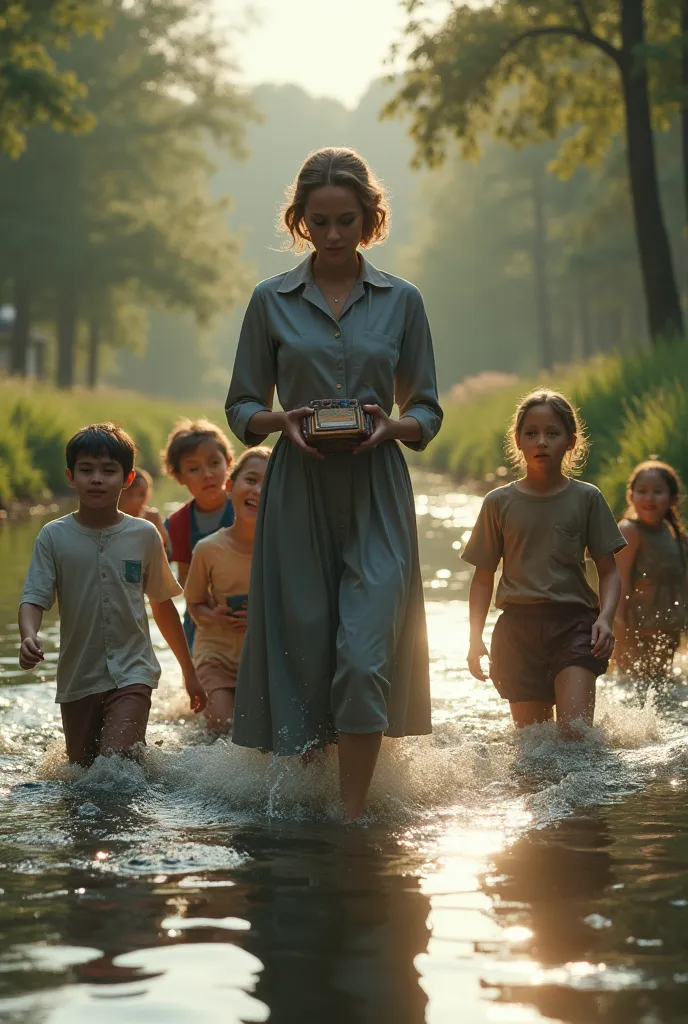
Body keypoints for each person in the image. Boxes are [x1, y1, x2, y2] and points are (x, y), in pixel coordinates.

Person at [225, 146, 443, 820]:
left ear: (370, 218)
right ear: (300, 222)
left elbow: (428, 410)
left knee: (363, 654)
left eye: (346, 219)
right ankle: (299, 808)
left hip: (377, 488)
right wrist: (278, 419)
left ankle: (350, 818)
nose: (333, 233)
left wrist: (392, 428)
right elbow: (239, 410)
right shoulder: (270, 300)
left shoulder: (403, 301)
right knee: (306, 652)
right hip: (297, 493)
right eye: (319, 221)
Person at [17, 423, 206, 767]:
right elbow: (33, 597)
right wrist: (28, 636)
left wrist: (189, 674)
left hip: (134, 672)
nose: (97, 479)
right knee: (83, 775)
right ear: (70, 476)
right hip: (79, 677)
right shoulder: (53, 537)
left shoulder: (144, 535)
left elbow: (162, 606)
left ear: (128, 478)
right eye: (86, 470)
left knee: (117, 763)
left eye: (109, 470)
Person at [464, 390, 625, 738]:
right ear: (518, 441)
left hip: (574, 626)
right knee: (535, 748)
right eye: (531, 433)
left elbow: (609, 572)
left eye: (553, 433)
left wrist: (606, 619)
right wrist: (474, 637)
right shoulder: (498, 503)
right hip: (516, 631)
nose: (541, 442)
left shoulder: (588, 498)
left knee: (575, 735)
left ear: (570, 441)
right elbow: (483, 577)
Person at [184, 447, 270, 735]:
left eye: (269, 483)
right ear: (230, 487)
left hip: (263, 658)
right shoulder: (208, 549)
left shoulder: (285, 551)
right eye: (251, 480)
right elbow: (194, 604)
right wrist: (214, 617)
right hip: (216, 657)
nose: (258, 490)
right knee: (221, 729)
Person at [161, 418, 236, 650]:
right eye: (194, 469)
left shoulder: (246, 509)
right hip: (201, 615)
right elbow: (184, 577)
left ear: (229, 463)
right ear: (179, 476)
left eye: (214, 463)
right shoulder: (177, 523)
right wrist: (207, 607)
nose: (207, 474)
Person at [613, 460, 688, 689]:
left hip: (668, 631)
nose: (649, 498)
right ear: (630, 496)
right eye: (642, 491)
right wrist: (616, 628)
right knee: (632, 689)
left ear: (673, 499)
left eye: (657, 492)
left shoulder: (677, 537)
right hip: (634, 633)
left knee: (661, 692)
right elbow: (619, 582)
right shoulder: (630, 531)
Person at [119, 467, 169, 549]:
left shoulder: (153, 517)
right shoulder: (112, 517)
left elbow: (167, 547)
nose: (136, 500)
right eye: (130, 494)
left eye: (142, 494)